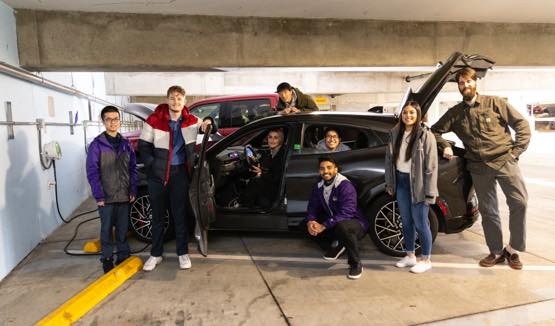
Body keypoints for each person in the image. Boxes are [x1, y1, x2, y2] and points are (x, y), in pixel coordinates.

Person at [431, 67, 531, 270]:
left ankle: (513, 249)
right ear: (458, 86)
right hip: (478, 167)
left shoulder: (495, 103)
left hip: (505, 160)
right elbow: (434, 131)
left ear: (475, 82)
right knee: (489, 210)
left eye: (468, 81)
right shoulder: (455, 113)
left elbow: (522, 125)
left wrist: (515, 153)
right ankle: (495, 251)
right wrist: (445, 145)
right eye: (461, 83)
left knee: (520, 202)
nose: (465, 85)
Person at [139, 85, 215, 272]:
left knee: (179, 215)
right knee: (157, 217)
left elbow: (210, 127)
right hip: (158, 176)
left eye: (179, 98)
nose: (176, 101)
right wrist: (153, 165)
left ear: (184, 101)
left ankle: (183, 253)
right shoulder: (154, 120)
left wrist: (207, 121)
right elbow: (143, 146)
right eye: (172, 98)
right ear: (167, 100)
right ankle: (156, 254)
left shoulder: (191, 120)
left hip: (180, 174)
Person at [385, 101, 438, 274]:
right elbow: (389, 161)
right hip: (400, 181)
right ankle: (410, 255)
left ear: (418, 115)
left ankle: (426, 258)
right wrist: (390, 183)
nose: (408, 116)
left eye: (412, 113)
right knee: (406, 221)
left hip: (418, 184)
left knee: (421, 222)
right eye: (405, 112)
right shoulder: (395, 133)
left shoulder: (425, 135)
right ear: (401, 114)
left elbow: (431, 166)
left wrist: (430, 192)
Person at [86, 105, 138, 273]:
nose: (113, 122)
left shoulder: (126, 144)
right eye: (108, 119)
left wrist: (133, 190)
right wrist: (98, 195)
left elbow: (132, 169)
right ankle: (107, 258)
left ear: (119, 121)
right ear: (103, 121)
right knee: (106, 229)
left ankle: (123, 255)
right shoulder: (97, 145)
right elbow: (92, 172)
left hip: (123, 195)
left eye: (115, 119)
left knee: (123, 228)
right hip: (106, 197)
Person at [303, 156, 369, 279]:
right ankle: (339, 244)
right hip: (335, 221)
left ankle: (355, 264)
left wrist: (323, 226)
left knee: (343, 226)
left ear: (336, 169)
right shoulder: (319, 185)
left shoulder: (345, 185)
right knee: (304, 225)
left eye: (329, 168)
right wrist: (311, 221)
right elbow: (312, 206)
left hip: (355, 223)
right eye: (322, 168)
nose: (326, 171)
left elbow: (347, 213)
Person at [239, 129, 286, 209]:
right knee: (253, 180)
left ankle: (243, 207)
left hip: (277, 188)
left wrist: (261, 173)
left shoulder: (282, 154)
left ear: (280, 140)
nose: (272, 140)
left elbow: (277, 177)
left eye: (275, 138)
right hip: (272, 183)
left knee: (255, 182)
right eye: (270, 137)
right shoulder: (272, 151)